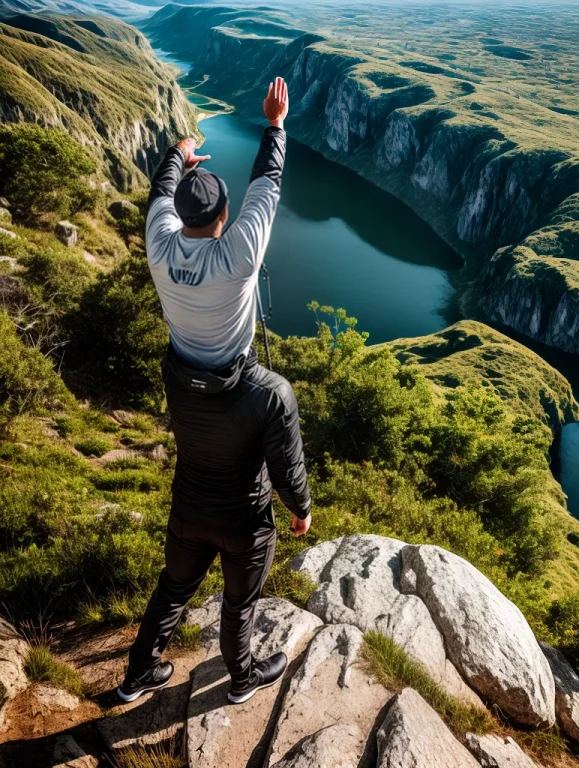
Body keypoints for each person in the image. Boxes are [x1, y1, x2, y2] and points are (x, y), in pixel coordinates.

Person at [117, 77, 311, 706]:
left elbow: (159, 194)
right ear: (222, 217)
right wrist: (275, 123)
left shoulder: (157, 247)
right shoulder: (241, 257)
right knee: (240, 597)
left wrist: (177, 153)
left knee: (174, 586)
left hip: (190, 478)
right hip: (244, 510)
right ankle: (242, 677)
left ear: (182, 217)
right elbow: (267, 186)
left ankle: (137, 675)